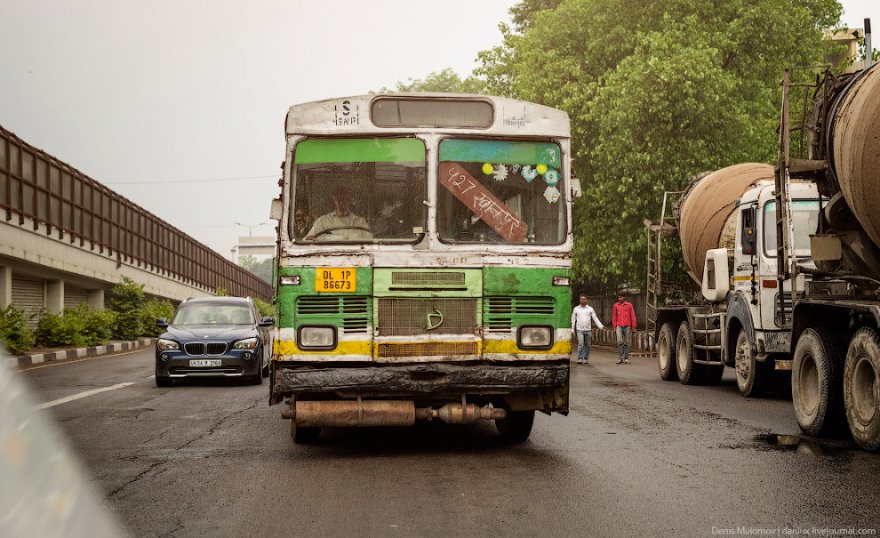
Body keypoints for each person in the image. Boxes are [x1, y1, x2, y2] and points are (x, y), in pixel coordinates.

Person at [305, 188, 372, 240]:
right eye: (339, 199)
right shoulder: (322, 221)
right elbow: (307, 241)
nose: (342, 202)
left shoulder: (361, 222)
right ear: (334, 201)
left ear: (350, 201)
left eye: (346, 199)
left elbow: (370, 244)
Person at [571, 294, 604, 365]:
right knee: (581, 344)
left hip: (588, 330)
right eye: (581, 299)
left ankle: (585, 359)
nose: (583, 300)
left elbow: (595, 318)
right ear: (579, 300)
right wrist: (572, 330)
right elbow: (573, 320)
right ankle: (579, 358)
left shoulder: (590, 309)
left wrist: (600, 326)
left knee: (587, 345)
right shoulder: (576, 309)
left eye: (584, 299)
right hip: (579, 329)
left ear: (587, 300)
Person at [612, 293, 637, 364]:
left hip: (627, 326)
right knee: (619, 342)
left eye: (621, 297)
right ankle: (620, 358)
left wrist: (633, 327)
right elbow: (614, 316)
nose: (619, 298)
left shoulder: (629, 305)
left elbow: (633, 316)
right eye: (618, 297)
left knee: (627, 342)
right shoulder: (616, 305)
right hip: (619, 326)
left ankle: (626, 358)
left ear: (624, 297)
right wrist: (614, 327)